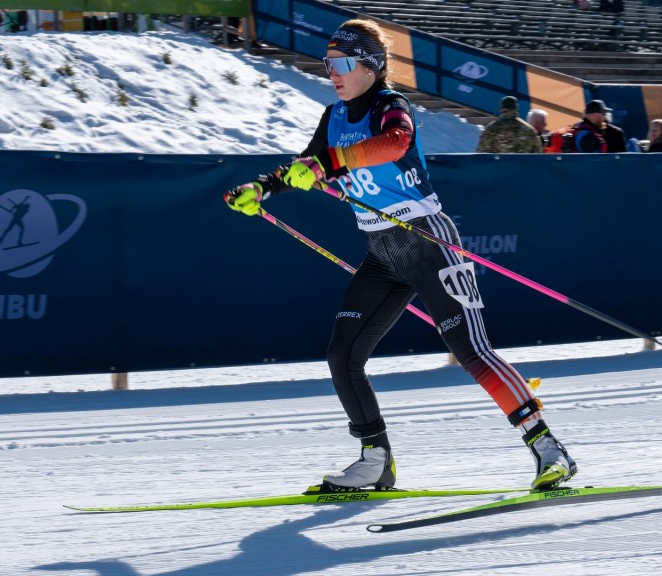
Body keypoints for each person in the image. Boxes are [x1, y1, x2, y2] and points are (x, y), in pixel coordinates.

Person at [224, 18, 576, 493]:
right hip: (382, 250)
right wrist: (264, 187)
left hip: (426, 240)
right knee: (342, 352)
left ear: (370, 67)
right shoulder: (333, 117)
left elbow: (396, 143)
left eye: (343, 63)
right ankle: (375, 460)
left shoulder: (392, 105)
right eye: (328, 63)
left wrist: (329, 163)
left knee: (470, 351)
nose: (333, 72)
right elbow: (306, 162)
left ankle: (550, 450)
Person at [476, 96, 542, 153]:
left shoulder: (491, 129)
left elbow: (480, 154)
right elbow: (538, 156)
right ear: (516, 109)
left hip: (498, 167)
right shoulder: (529, 130)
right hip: (522, 167)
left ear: (501, 109)